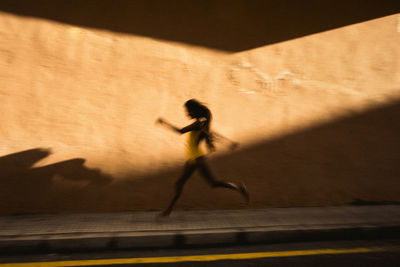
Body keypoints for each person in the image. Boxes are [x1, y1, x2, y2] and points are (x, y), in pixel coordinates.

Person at [156, 99, 249, 216]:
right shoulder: (202, 123)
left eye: (188, 111)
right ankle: (168, 211)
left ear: (195, 110)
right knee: (182, 183)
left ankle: (239, 187)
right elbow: (213, 134)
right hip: (192, 158)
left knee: (211, 183)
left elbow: (181, 131)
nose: (187, 113)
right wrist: (229, 142)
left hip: (198, 159)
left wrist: (164, 123)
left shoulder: (199, 123)